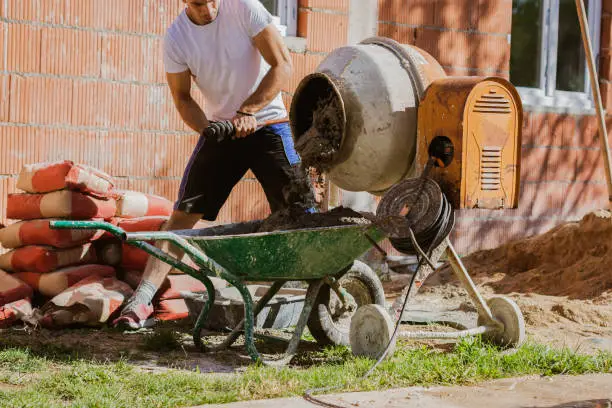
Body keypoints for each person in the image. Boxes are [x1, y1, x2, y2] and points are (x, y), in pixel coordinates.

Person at [113, 0, 315, 329]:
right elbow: (182, 97)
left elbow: (283, 65)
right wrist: (207, 129)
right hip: (223, 131)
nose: (207, 8)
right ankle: (141, 300)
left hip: (268, 124)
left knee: (303, 213)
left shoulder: (245, 9)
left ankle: (321, 298)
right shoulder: (177, 37)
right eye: (197, 3)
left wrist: (248, 111)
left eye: (211, 1)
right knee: (179, 219)